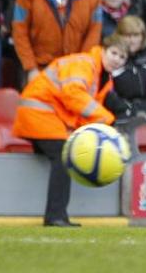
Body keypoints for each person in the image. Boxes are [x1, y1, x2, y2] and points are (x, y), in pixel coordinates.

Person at [12, 37, 125, 227]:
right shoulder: (85, 64)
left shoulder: (102, 78)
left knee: (62, 154)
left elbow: (82, 110)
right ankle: (55, 216)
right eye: (114, 53)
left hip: (45, 116)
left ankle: (57, 216)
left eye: (122, 57)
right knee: (64, 156)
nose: (117, 59)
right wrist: (106, 119)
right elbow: (74, 95)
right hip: (39, 113)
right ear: (103, 50)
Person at [109, 15, 146, 123]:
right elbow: (109, 93)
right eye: (127, 35)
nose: (131, 40)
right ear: (119, 36)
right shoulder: (113, 59)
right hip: (119, 115)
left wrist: (145, 110)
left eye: (136, 35)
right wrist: (127, 110)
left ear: (142, 37)